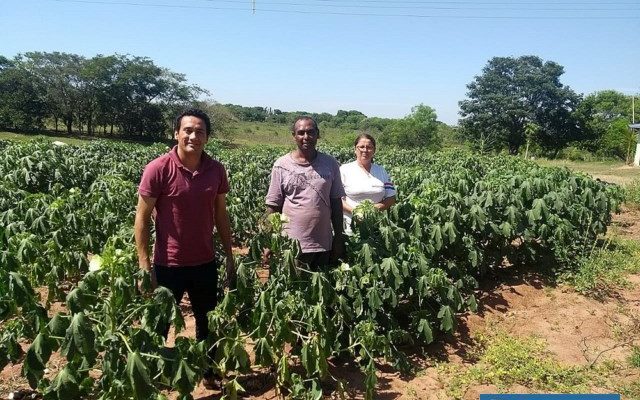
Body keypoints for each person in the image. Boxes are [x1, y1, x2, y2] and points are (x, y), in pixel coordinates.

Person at [134, 108, 234, 388]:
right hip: (169, 264)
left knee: (207, 322)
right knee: (160, 324)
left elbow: (220, 214)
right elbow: (141, 219)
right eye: (187, 130)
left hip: (204, 261)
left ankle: (209, 371)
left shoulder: (216, 170)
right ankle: (153, 378)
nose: (193, 136)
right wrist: (145, 266)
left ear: (207, 137)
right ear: (176, 133)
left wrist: (228, 255)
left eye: (200, 131)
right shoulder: (158, 168)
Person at [265, 116, 345, 268]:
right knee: (293, 288)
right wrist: (271, 240)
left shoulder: (331, 164)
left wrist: (338, 238)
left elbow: (336, 203)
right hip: (291, 244)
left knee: (320, 287)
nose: (306, 137)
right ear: (294, 136)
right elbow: (273, 206)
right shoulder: (281, 165)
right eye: (301, 133)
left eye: (310, 132)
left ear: (318, 134)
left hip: (323, 243)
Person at [340, 133, 396, 234]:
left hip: (377, 226)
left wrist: (378, 207)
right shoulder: (344, 170)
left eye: (369, 147)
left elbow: (391, 197)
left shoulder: (381, 171)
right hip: (349, 226)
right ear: (355, 149)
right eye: (361, 147)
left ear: (374, 150)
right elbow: (337, 199)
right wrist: (355, 212)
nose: (365, 150)